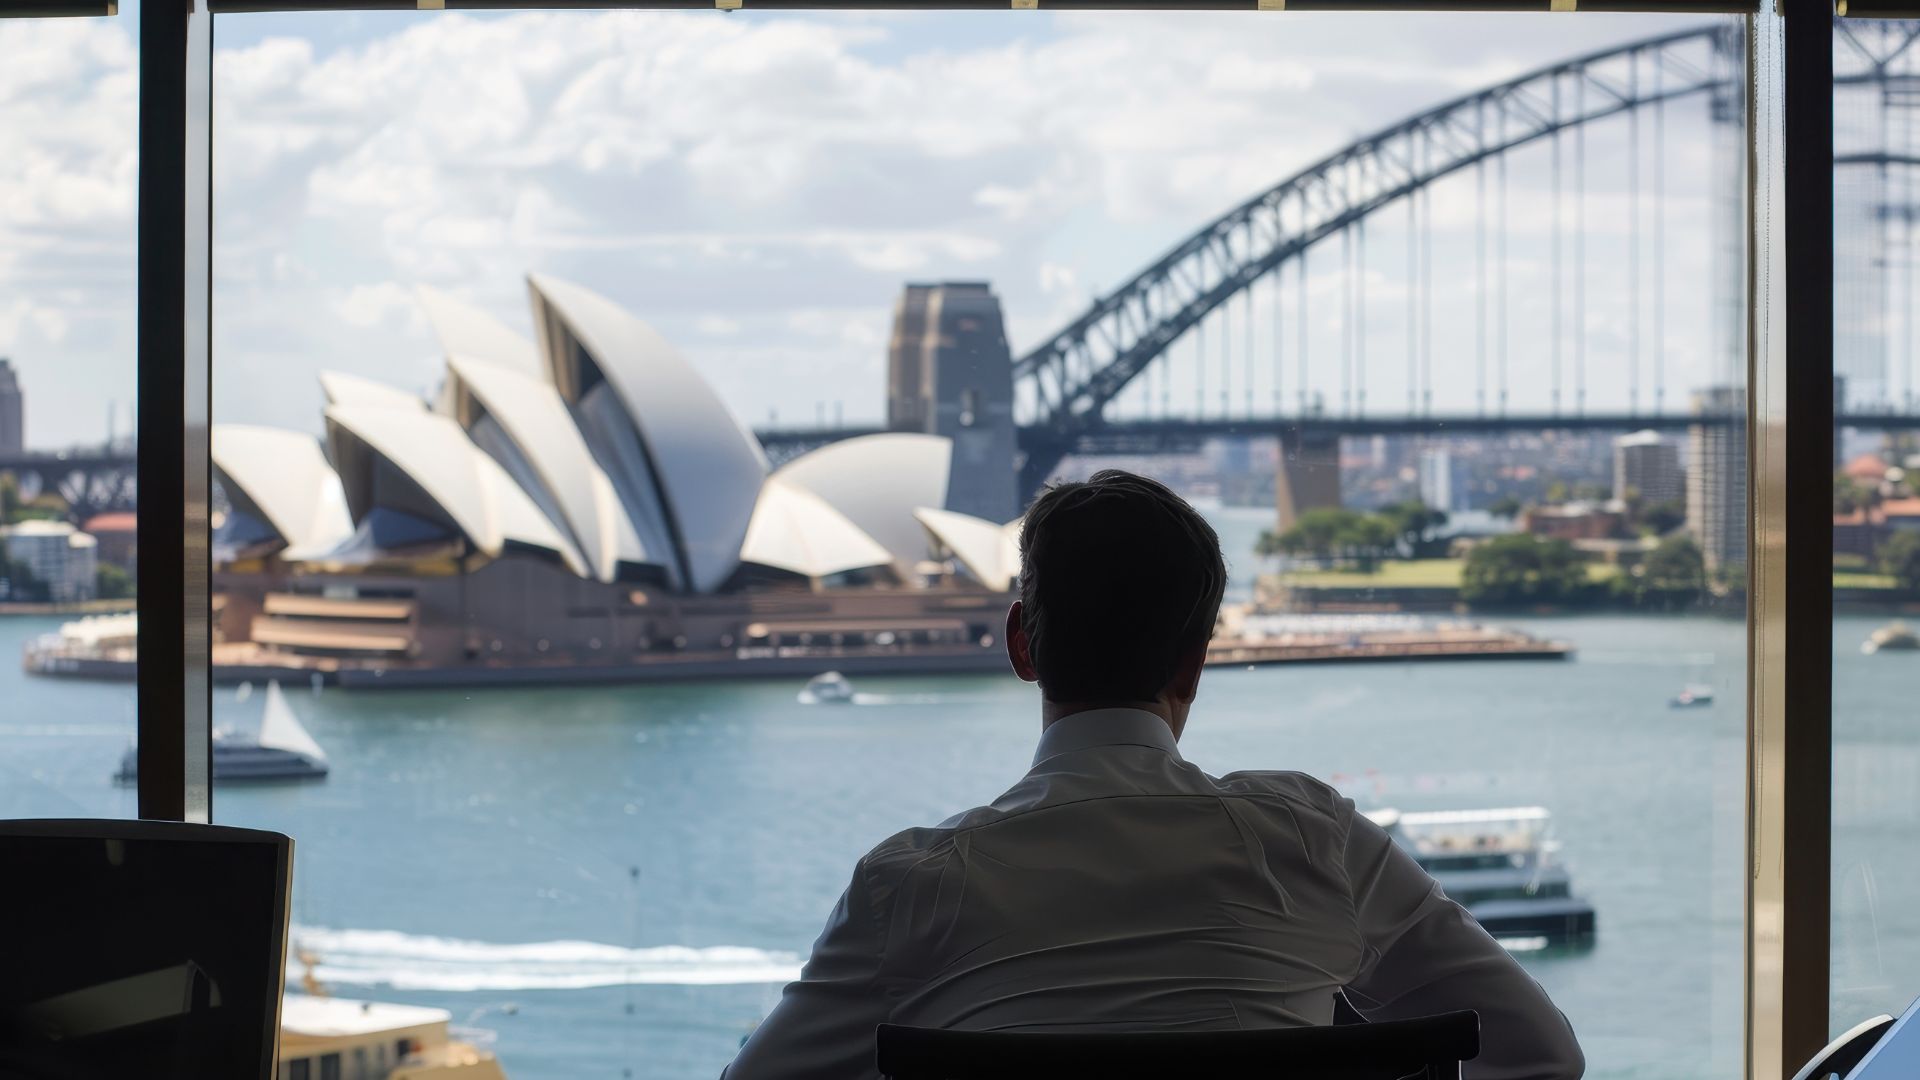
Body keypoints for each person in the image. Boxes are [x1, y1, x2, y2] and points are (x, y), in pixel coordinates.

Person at [723, 470, 1583, 1080]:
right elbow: (1540, 1052)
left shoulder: (908, 886)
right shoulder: (1314, 841)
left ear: (1022, 642)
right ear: (1197, 661)